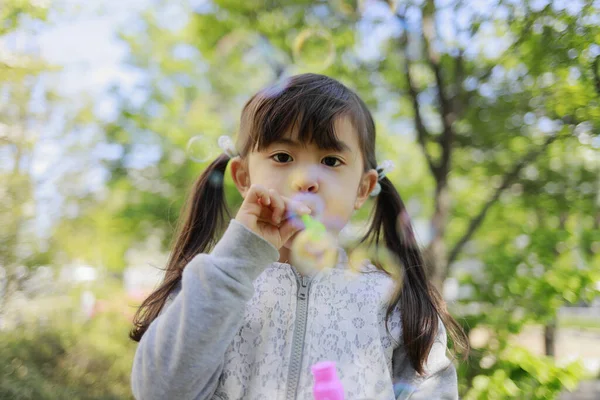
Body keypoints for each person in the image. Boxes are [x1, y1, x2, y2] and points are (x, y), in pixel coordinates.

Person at [129, 73, 468, 400]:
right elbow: (160, 391)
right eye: (282, 157)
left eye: (331, 161)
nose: (305, 179)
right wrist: (238, 260)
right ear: (244, 177)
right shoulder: (211, 286)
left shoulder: (392, 301)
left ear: (362, 189)